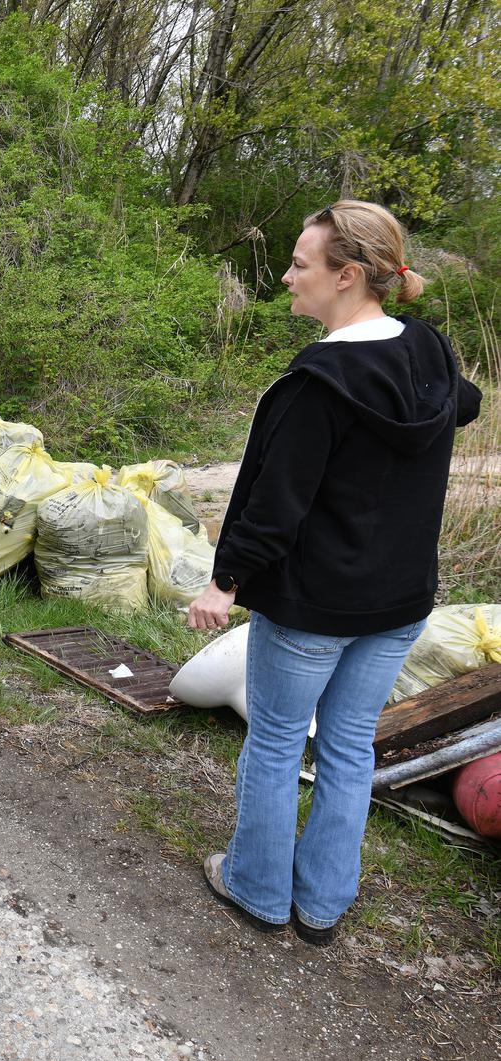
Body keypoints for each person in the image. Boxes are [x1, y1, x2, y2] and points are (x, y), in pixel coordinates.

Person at [187, 200, 483, 945]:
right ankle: (321, 905)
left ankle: (256, 887)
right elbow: (463, 404)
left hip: (314, 605)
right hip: (400, 602)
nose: (287, 275)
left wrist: (223, 585)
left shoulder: (320, 384)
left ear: (348, 276)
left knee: (281, 741)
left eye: (300, 262)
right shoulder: (429, 352)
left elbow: (274, 507)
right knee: (349, 744)